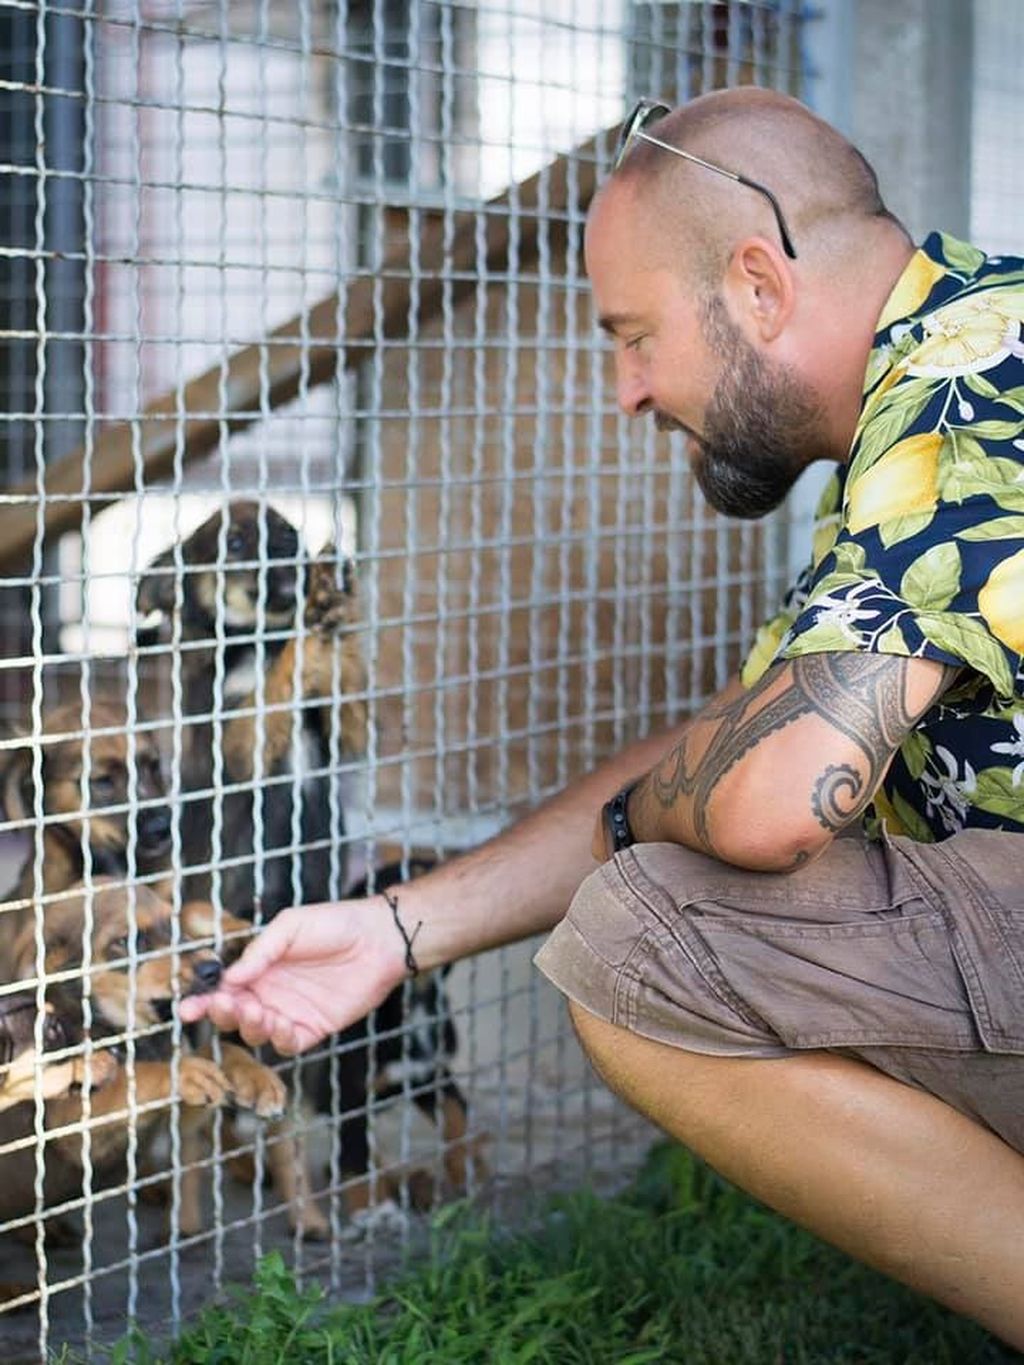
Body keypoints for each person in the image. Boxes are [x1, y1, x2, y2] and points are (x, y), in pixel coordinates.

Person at [181, 87, 1024, 1347]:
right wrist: (398, 931)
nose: (628, 391)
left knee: (643, 941)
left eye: (634, 335)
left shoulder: (963, 393)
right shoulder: (952, 358)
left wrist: (666, 811)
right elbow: (736, 738)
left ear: (757, 285)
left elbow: (766, 795)